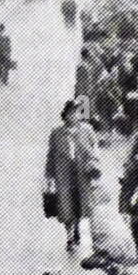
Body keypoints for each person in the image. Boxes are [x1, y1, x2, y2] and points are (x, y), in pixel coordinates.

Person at [45, 100, 101, 254]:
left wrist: (95, 169)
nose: (74, 116)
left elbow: (95, 151)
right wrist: (49, 178)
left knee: (79, 205)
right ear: (65, 115)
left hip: (82, 175)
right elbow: (50, 155)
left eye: (77, 113)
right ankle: (69, 235)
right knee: (65, 206)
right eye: (71, 113)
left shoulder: (87, 131)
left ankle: (76, 227)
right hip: (64, 175)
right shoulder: (56, 133)